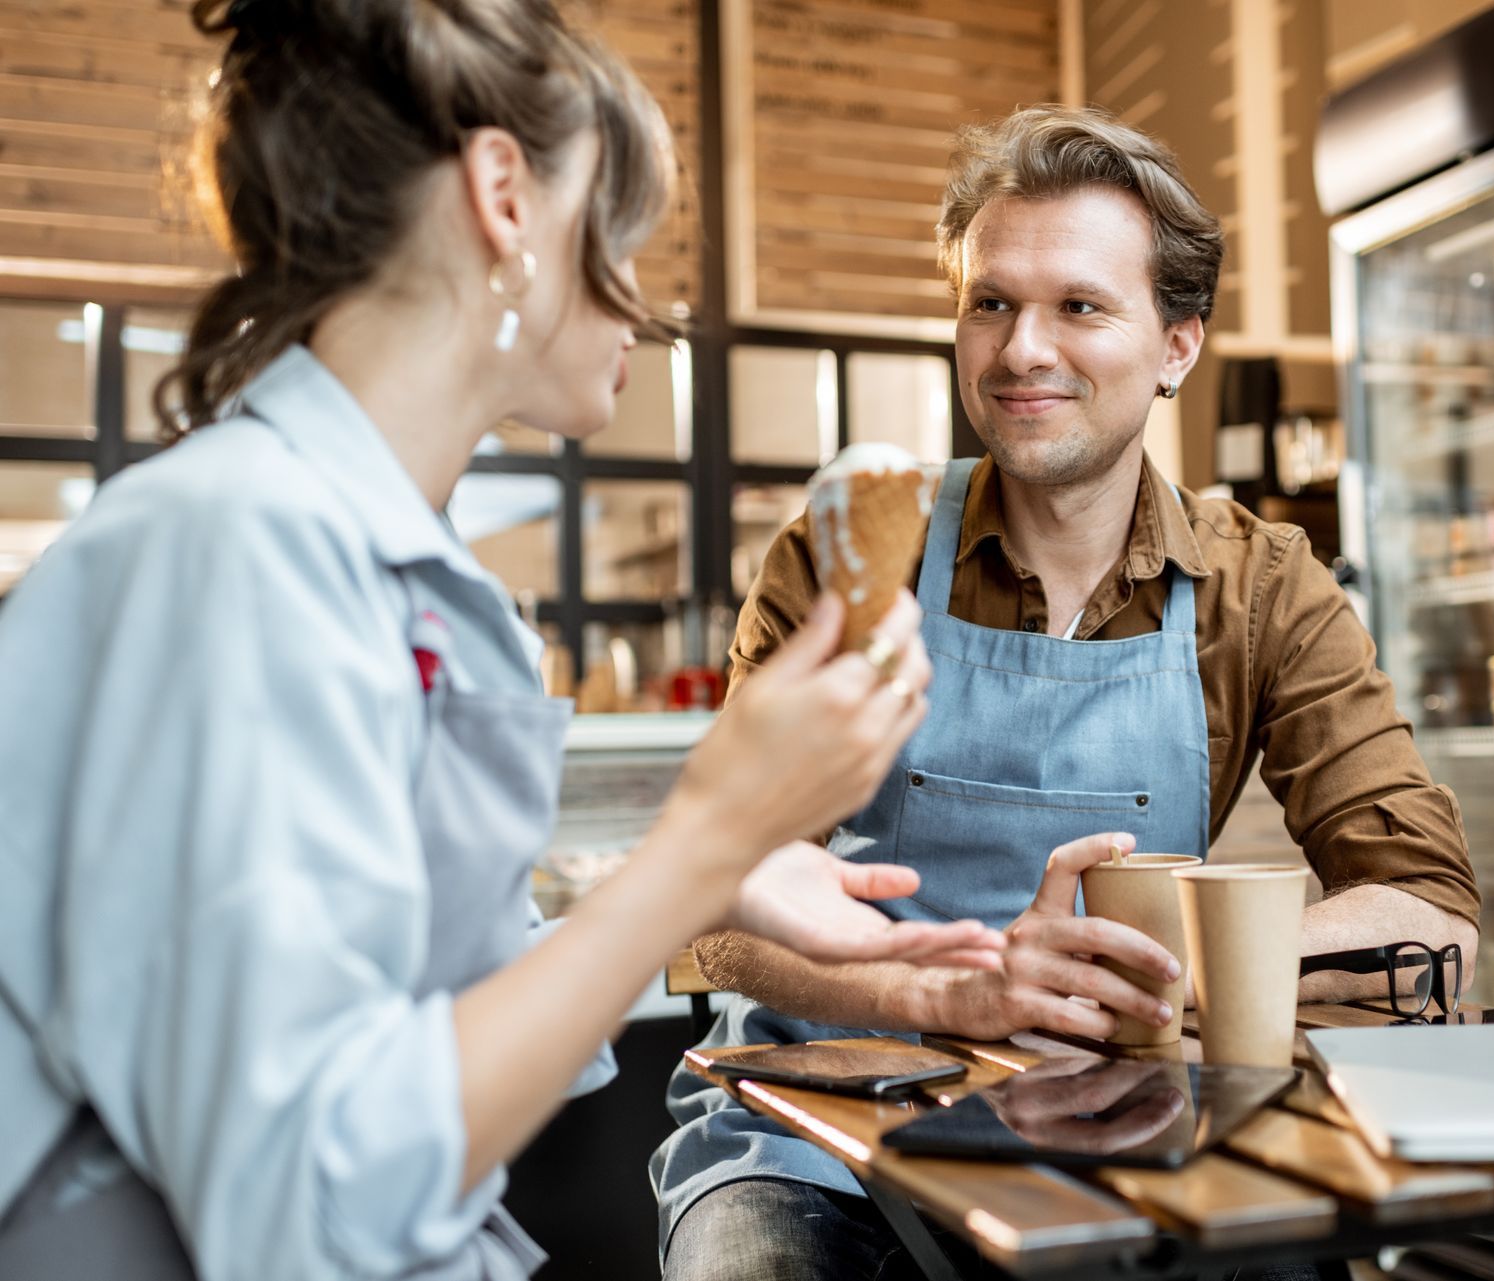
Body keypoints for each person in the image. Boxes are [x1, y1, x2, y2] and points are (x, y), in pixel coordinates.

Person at [0, 2, 1006, 1277]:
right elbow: (309, 1206)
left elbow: (403, 1017)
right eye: (623, 230)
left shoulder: (387, 570)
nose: (641, 301)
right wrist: (703, 843)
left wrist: (724, 876)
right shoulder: (234, 547)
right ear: (505, 197)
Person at [651, 106, 1480, 1280]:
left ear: (1178, 344)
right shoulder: (852, 553)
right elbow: (711, 920)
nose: (1021, 349)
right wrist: (947, 990)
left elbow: (1429, 914)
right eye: (991, 303)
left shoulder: (1260, 589)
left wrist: (1153, 974)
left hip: (1124, 1117)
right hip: (821, 1132)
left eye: (1079, 307)